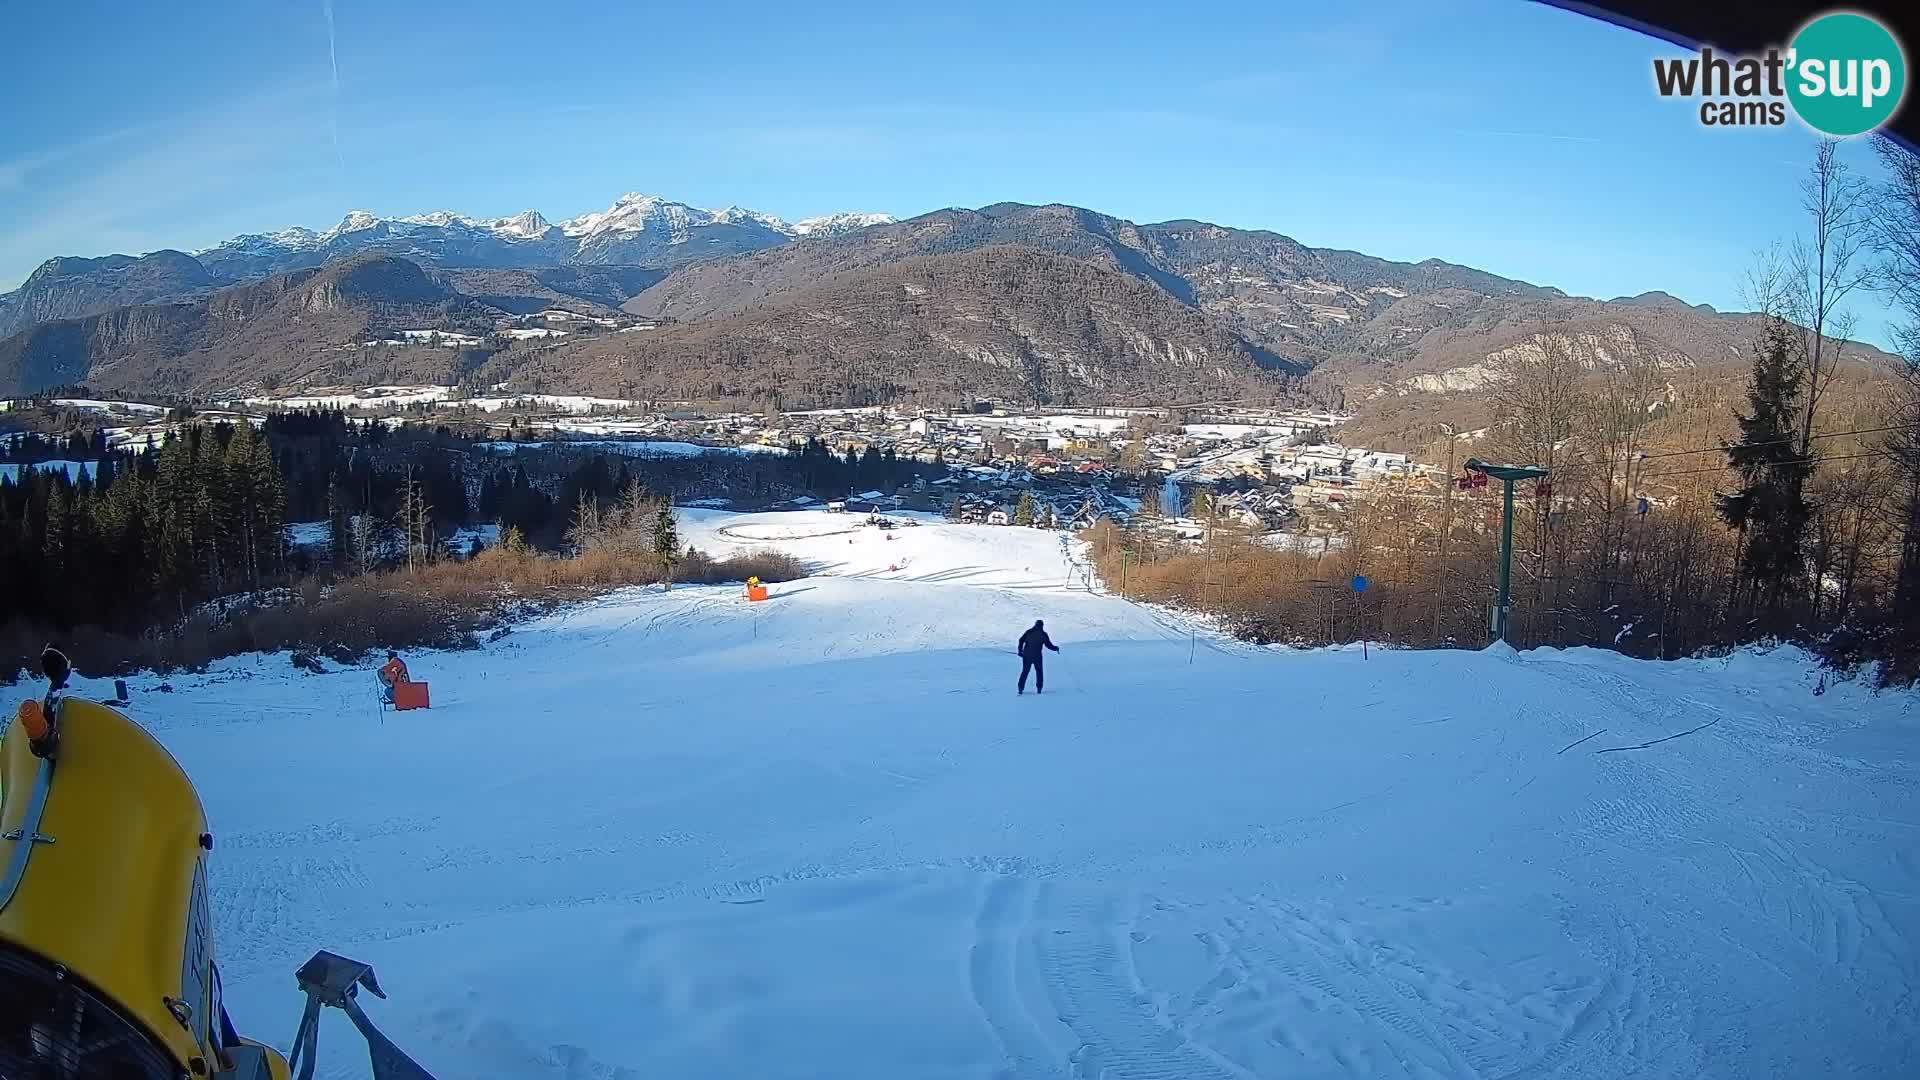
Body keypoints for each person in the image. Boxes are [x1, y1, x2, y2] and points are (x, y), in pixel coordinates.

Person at [1016, 619, 1059, 694]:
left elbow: (1021, 640)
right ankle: (1039, 689)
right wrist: (1055, 648)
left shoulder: (1029, 632)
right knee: (1039, 672)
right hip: (1037, 657)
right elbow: (1048, 645)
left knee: (1025, 672)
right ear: (1042, 626)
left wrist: (1020, 650)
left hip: (1027, 656)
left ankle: (1020, 688)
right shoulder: (1043, 634)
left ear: (1035, 624)